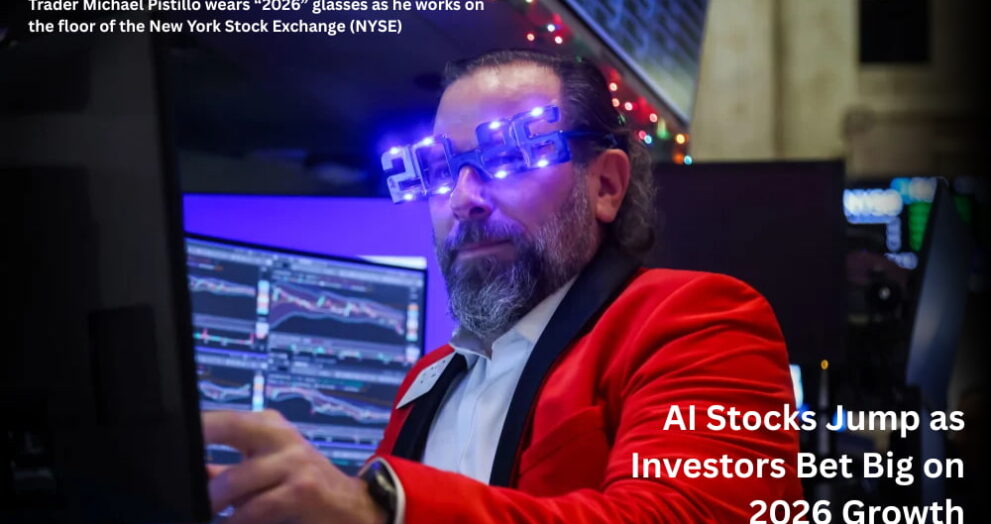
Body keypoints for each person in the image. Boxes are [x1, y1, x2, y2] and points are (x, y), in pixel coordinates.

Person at [202, 49, 803, 523]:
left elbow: (687, 517)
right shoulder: (428, 379)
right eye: (438, 171)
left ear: (606, 186)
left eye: (513, 153)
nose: (464, 198)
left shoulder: (699, 320)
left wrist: (380, 508)